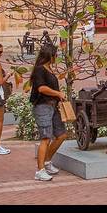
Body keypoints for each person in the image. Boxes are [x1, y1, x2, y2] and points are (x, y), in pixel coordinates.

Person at [29, 44, 69, 182]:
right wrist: (57, 93)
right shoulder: (40, 70)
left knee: (61, 135)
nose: (56, 57)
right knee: (45, 138)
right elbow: (41, 88)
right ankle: (39, 171)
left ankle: (47, 162)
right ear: (49, 55)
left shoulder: (49, 68)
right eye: (55, 55)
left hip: (53, 106)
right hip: (43, 106)